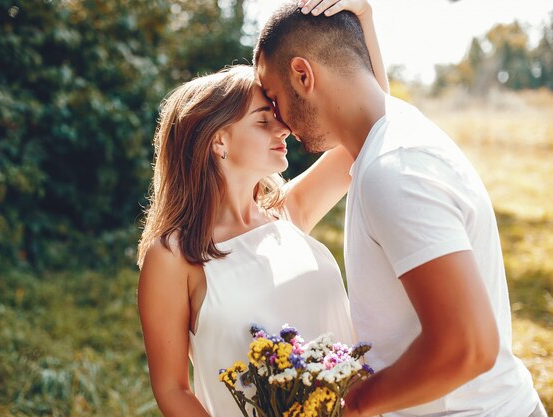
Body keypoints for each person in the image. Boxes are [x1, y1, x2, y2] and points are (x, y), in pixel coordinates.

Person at [253, 1, 546, 417]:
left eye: (273, 96)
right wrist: (365, 18)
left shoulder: (394, 170)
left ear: (303, 74)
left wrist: (354, 405)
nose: (278, 119)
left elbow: (468, 346)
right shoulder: (388, 134)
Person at [136, 1, 388, 416]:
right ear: (219, 141)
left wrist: (364, 19)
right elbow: (173, 391)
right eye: (262, 119)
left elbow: (372, 117)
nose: (284, 126)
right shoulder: (172, 257)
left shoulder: (289, 212)